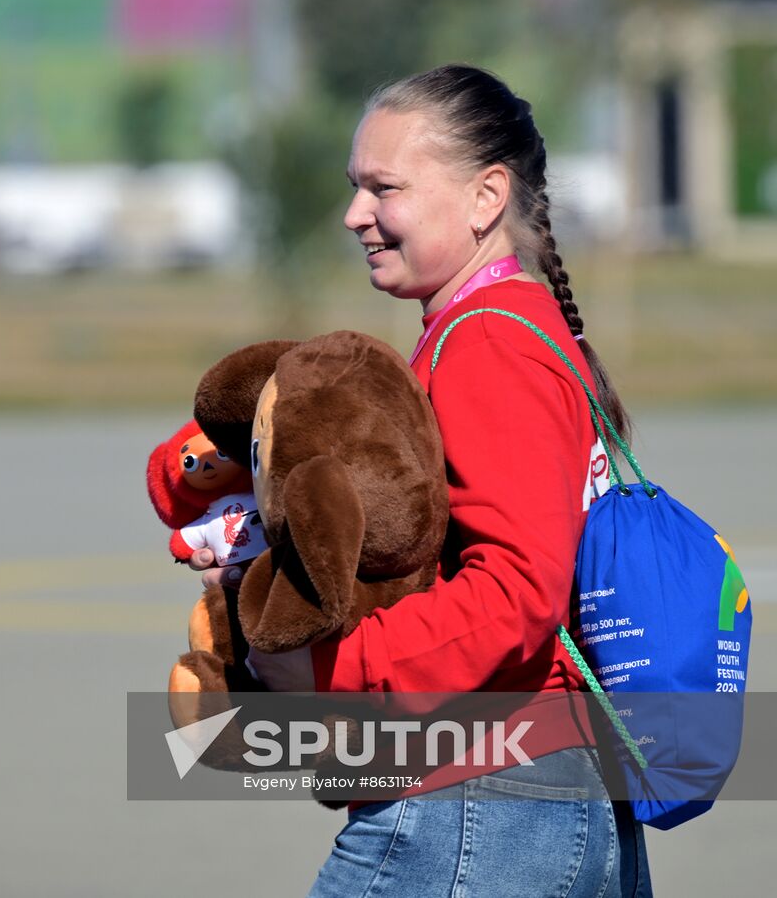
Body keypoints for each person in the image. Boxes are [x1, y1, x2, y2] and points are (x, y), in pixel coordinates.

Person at [193, 65, 652, 895]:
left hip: (482, 802)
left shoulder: (489, 344)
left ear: (485, 197)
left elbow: (519, 589)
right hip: (535, 794)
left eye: (385, 188)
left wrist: (338, 671)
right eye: (355, 186)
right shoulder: (516, 325)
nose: (354, 213)